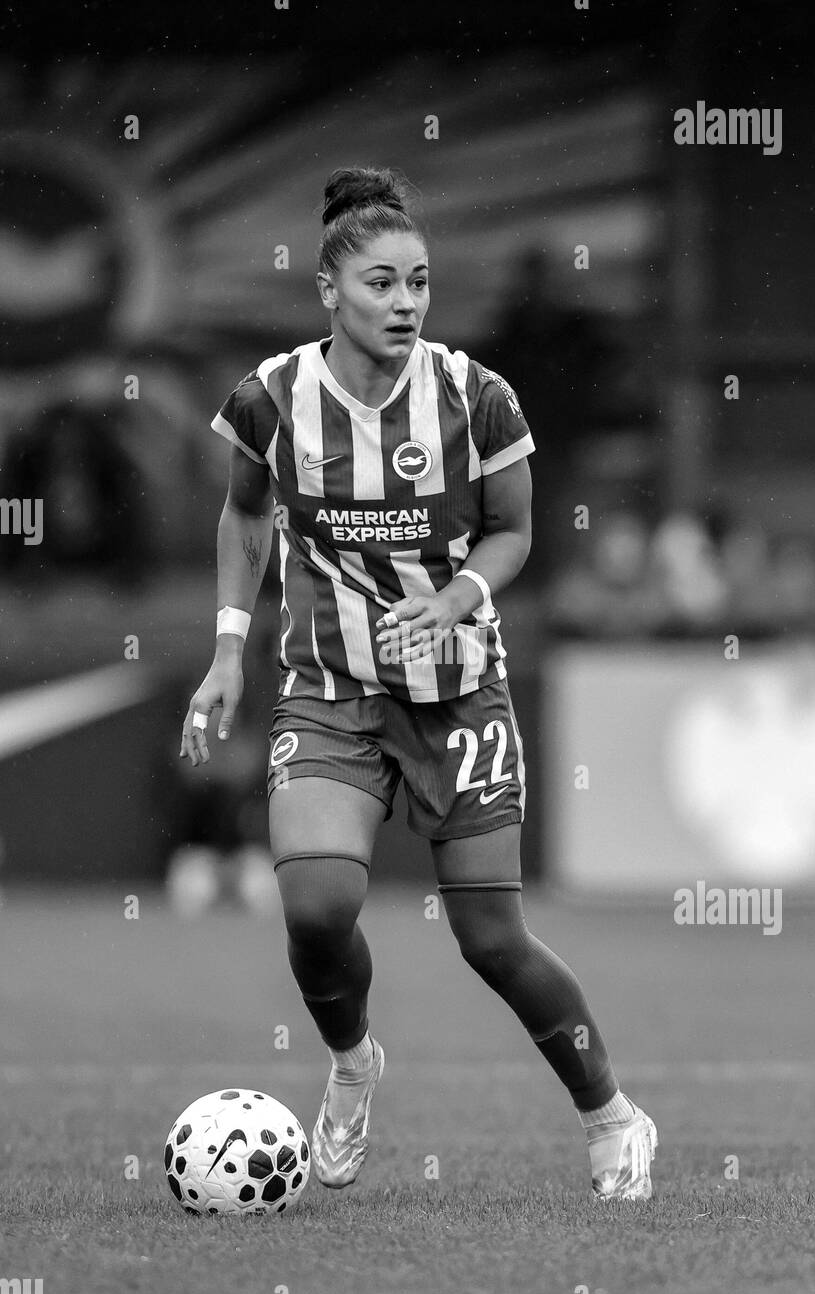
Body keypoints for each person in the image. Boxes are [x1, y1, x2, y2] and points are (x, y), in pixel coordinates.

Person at [180, 166, 657, 1200]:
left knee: (491, 938)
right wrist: (228, 650)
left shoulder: (475, 396)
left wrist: (460, 596)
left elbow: (518, 529)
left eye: (420, 284)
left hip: (457, 692)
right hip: (328, 685)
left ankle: (613, 1115)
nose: (404, 304)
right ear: (328, 291)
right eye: (382, 284)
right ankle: (353, 1065)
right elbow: (247, 516)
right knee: (316, 903)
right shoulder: (271, 398)